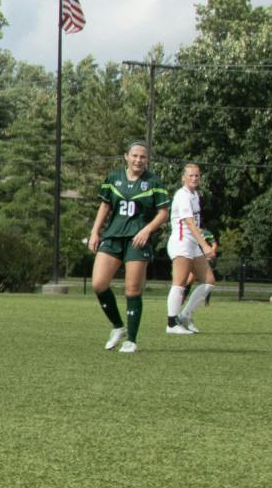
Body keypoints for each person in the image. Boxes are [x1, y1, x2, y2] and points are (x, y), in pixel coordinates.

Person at [84, 139, 172, 353]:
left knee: (132, 289)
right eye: (134, 156)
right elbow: (105, 205)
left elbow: (163, 213)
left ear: (147, 160)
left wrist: (147, 230)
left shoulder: (154, 182)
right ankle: (117, 327)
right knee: (98, 284)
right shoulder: (114, 177)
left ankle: (131, 339)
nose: (138, 160)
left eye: (142, 157)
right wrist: (95, 231)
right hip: (113, 236)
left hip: (137, 239)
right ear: (126, 157)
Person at [165, 162, 218, 336]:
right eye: (191, 175)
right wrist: (205, 245)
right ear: (183, 178)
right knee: (180, 282)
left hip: (192, 243)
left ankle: (185, 315)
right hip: (181, 242)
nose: (194, 178)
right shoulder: (182, 195)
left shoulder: (195, 195)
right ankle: (171, 324)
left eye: (197, 175)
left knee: (209, 281)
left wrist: (201, 242)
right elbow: (188, 222)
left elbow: (195, 223)